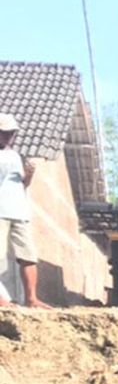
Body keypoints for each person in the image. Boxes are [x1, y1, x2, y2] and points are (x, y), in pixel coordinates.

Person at [0, 114, 50, 308]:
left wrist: (29, 175)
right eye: (4, 133)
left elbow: (23, 184)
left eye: (10, 133)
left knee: (28, 255)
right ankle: (2, 300)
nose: (7, 137)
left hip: (19, 211)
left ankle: (31, 298)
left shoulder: (16, 156)